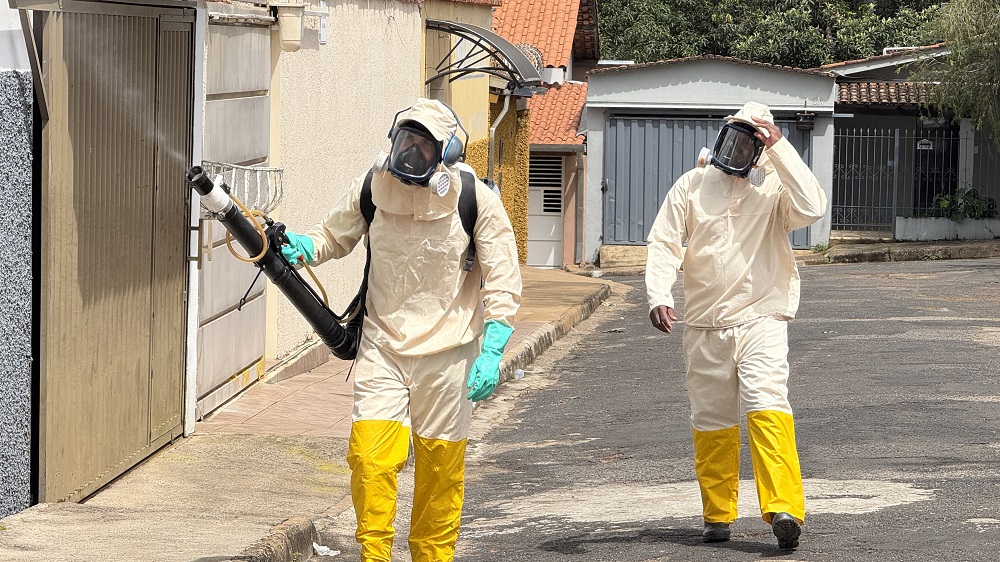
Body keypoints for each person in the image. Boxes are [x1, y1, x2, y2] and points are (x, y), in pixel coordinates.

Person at [280, 98, 522, 562]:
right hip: (382, 345)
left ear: (447, 153)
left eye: (423, 145)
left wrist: (493, 346)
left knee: (439, 470)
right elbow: (333, 236)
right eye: (405, 140)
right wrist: (304, 245)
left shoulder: (474, 200)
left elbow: (503, 278)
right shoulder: (373, 186)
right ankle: (374, 556)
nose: (410, 153)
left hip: (449, 351)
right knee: (370, 458)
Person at [644, 101, 827, 550]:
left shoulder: (774, 189)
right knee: (711, 420)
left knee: (767, 403)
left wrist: (780, 149)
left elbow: (813, 206)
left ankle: (784, 509)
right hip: (704, 322)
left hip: (761, 316)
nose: (740, 148)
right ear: (723, 135)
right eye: (736, 136)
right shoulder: (691, 185)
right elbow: (664, 241)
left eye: (752, 140)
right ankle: (717, 514)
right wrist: (659, 294)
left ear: (761, 149)